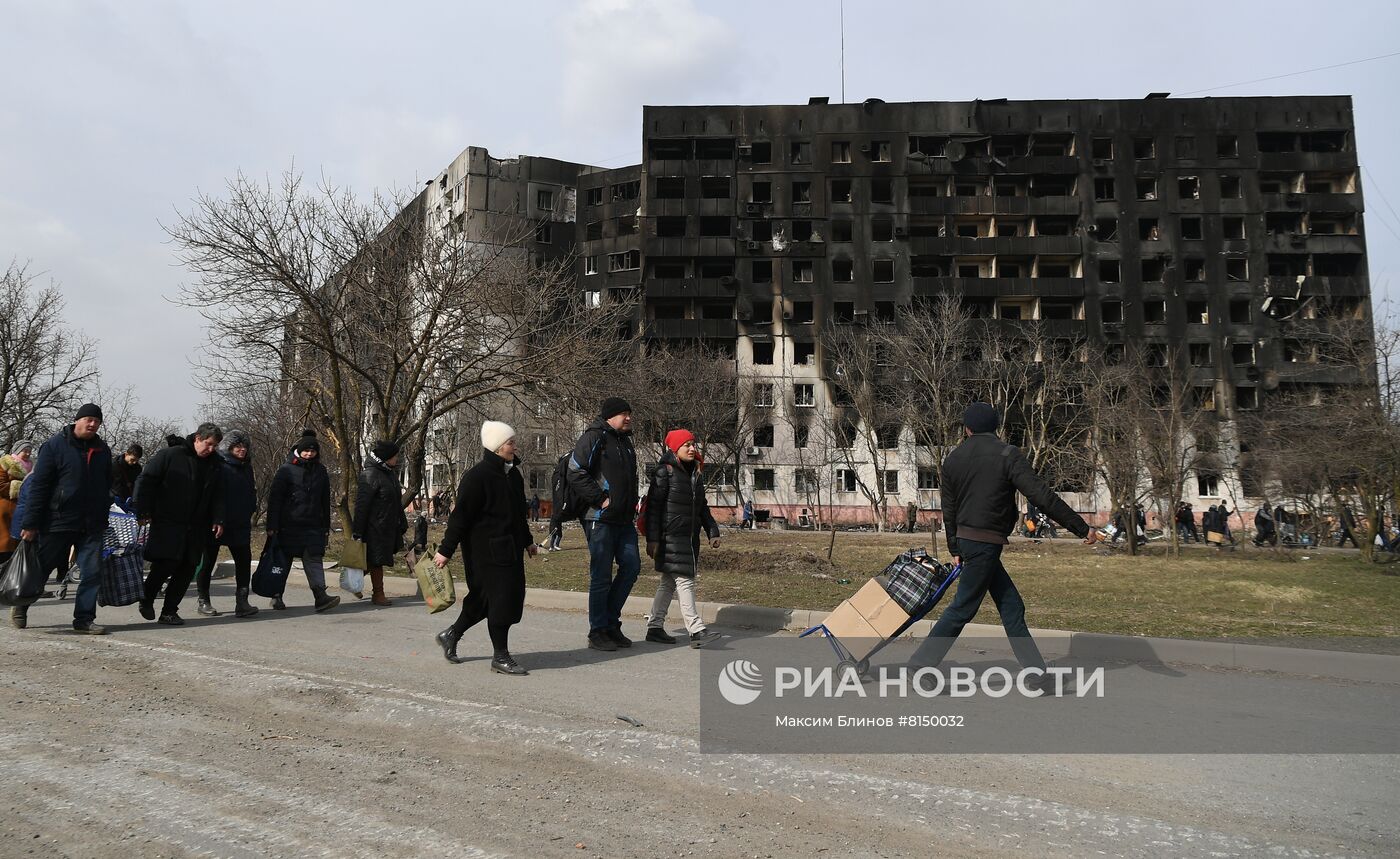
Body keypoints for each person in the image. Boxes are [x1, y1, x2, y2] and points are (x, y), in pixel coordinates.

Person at [909, 403, 1101, 689]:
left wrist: (955, 547)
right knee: (963, 608)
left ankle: (1036, 675)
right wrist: (1081, 527)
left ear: (967, 428)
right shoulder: (1007, 454)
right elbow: (1041, 496)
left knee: (1011, 606)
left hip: (969, 541)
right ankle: (921, 664)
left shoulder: (953, 459)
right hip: (985, 543)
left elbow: (948, 510)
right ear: (996, 427)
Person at [432, 421, 537, 674]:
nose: (515, 446)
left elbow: (517, 515)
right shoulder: (476, 477)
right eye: (511, 442)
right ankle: (500, 656)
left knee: (484, 601)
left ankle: (451, 634)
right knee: (500, 601)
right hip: (484, 551)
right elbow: (460, 518)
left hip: (509, 549)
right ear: (497, 446)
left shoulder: (513, 474)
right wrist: (445, 550)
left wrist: (528, 541)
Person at [15, 404, 113, 633]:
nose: (92, 424)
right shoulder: (55, 446)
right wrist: (30, 524)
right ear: (77, 420)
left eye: (96, 421)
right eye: (88, 419)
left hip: (92, 523)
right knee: (41, 569)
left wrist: (105, 507)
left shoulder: (103, 450)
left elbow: (107, 483)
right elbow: (39, 486)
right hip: (58, 520)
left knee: (91, 573)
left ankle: (84, 620)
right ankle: (22, 605)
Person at [567, 397, 641, 652]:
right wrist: (600, 499)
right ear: (610, 416)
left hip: (623, 520)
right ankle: (597, 630)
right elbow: (575, 470)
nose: (628, 417)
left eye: (629, 413)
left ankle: (610, 623)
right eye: (623, 413)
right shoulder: (594, 436)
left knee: (631, 567)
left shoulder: (625, 441)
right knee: (600, 576)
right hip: (600, 519)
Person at [134, 425, 226, 626]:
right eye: (208, 444)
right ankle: (146, 598)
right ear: (197, 438)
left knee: (187, 567)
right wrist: (143, 510)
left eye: (215, 446)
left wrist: (218, 519)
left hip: (197, 525)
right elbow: (146, 481)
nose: (211, 449)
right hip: (168, 520)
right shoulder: (171, 455)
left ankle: (169, 611)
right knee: (166, 563)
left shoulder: (216, 464)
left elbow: (218, 494)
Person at [644, 429, 722, 648]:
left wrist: (712, 531)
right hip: (671, 536)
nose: (692, 448)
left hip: (688, 537)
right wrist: (653, 539)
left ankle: (655, 627)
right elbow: (654, 508)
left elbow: (702, 507)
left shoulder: (694, 473)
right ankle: (696, 630)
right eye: (686, 444)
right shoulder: (665, 472)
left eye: (693, 444)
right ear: (675, 448)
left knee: (668, 582)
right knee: (685, 579)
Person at [265, 434, 339, 612]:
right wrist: (272, 526)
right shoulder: (286, 470)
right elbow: (275, 499)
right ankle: (276, 596)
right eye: (306, 450)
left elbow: (324, 500)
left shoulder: (321, 471)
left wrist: (325, 526)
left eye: (312, 451)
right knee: (283, 562)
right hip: (288, 525)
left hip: (313, 526)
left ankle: (320, 596)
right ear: (298, 451)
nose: (309, 454)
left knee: (314, 560)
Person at [193, 430, 259, 618]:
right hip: (216, 523)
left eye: (244, 446)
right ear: (229, 447)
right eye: (238, 446)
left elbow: (250, 490)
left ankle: (242, 601)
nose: (242, 449)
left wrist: (251, 507)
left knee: (244, 562)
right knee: (208, 562)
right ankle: (203, 600)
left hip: (240, 522)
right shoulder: (217, 464)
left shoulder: (247, 467)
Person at [352, 439, 408, 607]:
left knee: (374, 559)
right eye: (395, 456)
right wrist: (358, 531)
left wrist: (402, 521)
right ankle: (378, 594)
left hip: (387, 525)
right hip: (373, 526)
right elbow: (362, 505)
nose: (397, 459)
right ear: (386, 457)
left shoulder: (388, 473)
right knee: (377, 560)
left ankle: (352, 582)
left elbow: (396, 501)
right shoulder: (370, 474)